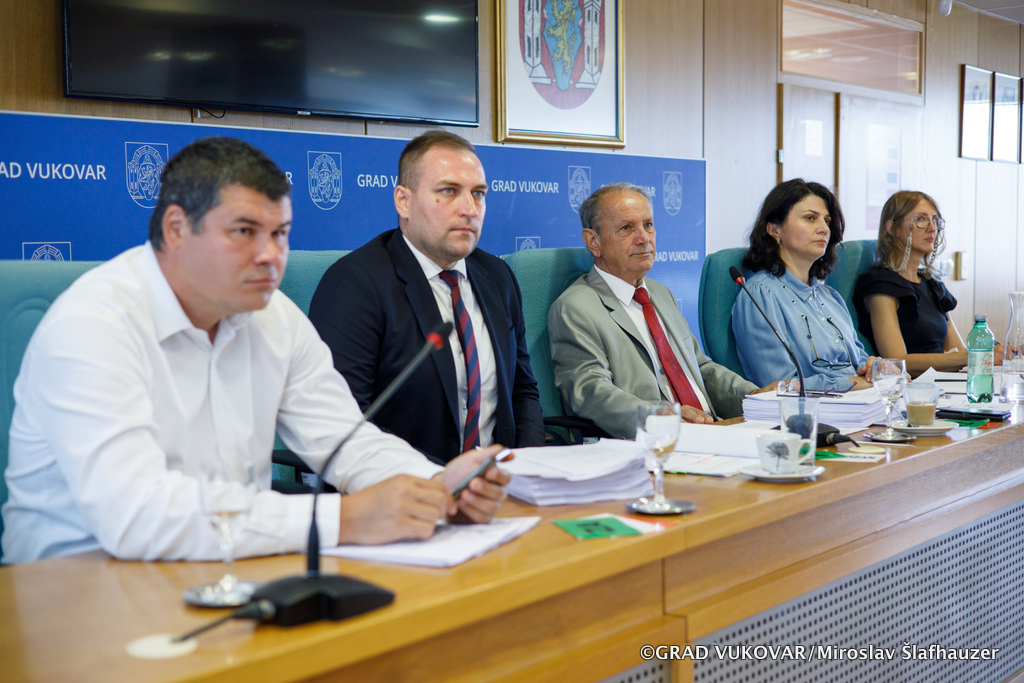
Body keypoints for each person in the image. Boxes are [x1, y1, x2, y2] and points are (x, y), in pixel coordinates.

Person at [1, 137, 509, 565]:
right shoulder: (93, 325)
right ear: (176, 229)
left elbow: (345, 440)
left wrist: (438, 486)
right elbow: (136, 516)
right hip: (78, 588)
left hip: (228, 566)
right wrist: (344, 518)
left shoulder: (273, 317)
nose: (270, 256)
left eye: (280, 234)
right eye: (244, 232)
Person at [308, 131, 544, 463]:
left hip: (500, 482)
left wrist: (529, 469)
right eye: (448, 191)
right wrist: (438, 481)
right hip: (403, 484)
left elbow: (522, 390)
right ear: (403, 201)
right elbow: (345, 422)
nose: (469, 209)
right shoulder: (355, 283)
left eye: (478, 193)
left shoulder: (498, 277)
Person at [548, 182, 771, 439]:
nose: (644, 238)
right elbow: (589, 392)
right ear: (594, 241)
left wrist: (755, 397)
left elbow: (700, 368)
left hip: (710, 432)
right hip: (649, 443)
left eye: (648, 225)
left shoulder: (660, 294)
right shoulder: (575, 309)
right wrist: (658, 417)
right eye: (626, 228)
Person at [731, 179, 876, 392]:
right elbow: (780, 385)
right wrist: (854, 383)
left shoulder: (830, 296)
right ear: (774, 230)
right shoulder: (760, 295)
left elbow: (860, 362)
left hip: (862, 402)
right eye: (810, 218)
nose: (824, 229)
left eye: (827, 221)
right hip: (808, 411)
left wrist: (876, 369)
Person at [853, 191, 1000, 376]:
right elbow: (896, 361)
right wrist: (974, 356)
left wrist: (995, 354)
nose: (932, 228)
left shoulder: (932, 283)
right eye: (921, 219)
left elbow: (958, 350)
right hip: (910, 385)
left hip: (944, 381)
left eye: (935, 220)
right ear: (892, 228)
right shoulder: (881, 286)